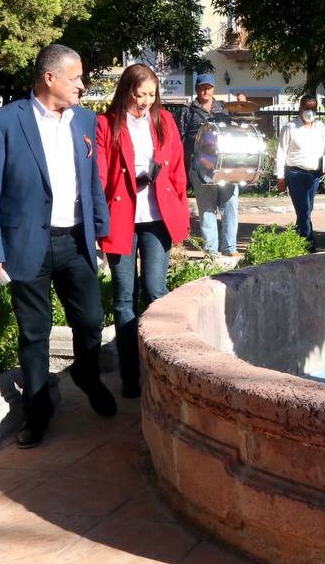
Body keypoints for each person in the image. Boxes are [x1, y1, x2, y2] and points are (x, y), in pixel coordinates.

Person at [0, 44, 116, 449]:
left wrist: (101, 235)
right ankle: (38, 412)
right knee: (34, 334)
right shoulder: (4, 122)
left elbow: (92, 183)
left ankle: (86, 374)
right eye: (76, 79)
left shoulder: (86, 120)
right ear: (50, 78)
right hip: (26, 245)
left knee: (90, 320)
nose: (82, 86)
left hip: (75, 242)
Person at [95, 64, 189, 399]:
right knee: (123, 299)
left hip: (157, 217)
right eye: (140, 94)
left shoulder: (164, 122)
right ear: (126, 92)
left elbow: (177, 168)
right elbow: (101, 175)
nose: (146, 101)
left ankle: (159, 370)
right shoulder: (107, 124)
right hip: (121, 216)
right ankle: (130, 375)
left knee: (156, 291)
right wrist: (98, 221)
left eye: (151, 94)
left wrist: (181, 208)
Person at [177, 74, 241, 262]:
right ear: (197, 89)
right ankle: (211, 250)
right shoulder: (188, 111)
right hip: (199, 166)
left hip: (225, 165)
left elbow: (235, 131)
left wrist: (240, 109)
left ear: (213, 89)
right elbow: (179, 138)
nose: (206, 90)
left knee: (230, 206)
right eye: (202, 87)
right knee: (207, 209)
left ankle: (230, 247)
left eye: (209, 87)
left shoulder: (223, 109)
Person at [275, 95, 325, 251]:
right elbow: (281, 153)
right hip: (295, 174)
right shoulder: (290, 127)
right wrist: (280, 177)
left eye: (312, 108)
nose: (309, 111)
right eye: (306, 108)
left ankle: (297, 238)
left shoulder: (321, 127)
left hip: (314, 175)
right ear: (300, 108)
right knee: (304, 210)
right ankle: (309, 245)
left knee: (307, 210)